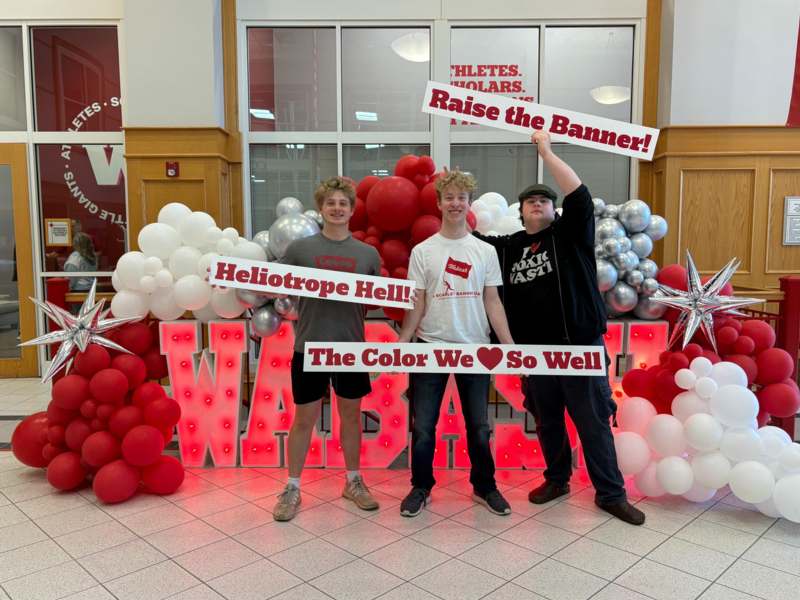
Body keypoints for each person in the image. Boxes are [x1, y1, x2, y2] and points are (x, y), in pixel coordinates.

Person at [474, 131, 645, 526]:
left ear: (555, 210)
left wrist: (546, 152)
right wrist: (449, 197)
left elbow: (579, 193)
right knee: (547, 419)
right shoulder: (509, 247)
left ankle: (611, 494)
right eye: (531, 202)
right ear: (521, 212)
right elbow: (468, 240)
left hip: (580, 348)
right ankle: (557, 479)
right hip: (536, 353)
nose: (538, 204)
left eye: (545, 201)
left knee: (592, 422)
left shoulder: (571, 236)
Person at [397, 170, 515, 517]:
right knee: (423, 427)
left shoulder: (484, 251)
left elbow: (492, 301)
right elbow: (416, 302)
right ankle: (421, 487)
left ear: (468, 203)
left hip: (475, 350)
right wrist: (403, 341)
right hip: (429, 348)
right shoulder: (423, 251)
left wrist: (509, 344)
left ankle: (485, 487)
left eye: (461, 197)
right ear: (438, 203)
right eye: (448, 197)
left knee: (478, 425)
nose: (455, 203)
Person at [273, 176, 382, 522]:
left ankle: (353, 481)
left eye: (343, 203)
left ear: (352, 210)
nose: (337, 208)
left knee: (351, 416)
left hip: (350, 349)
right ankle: (291, 487)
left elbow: (377, 298)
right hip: (309, 346)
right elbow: (273, 286)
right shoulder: (301, 250)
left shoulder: (367, 254)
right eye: (331, 203)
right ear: (320, 209)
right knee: (304, 418)